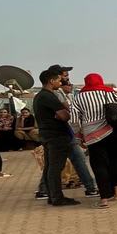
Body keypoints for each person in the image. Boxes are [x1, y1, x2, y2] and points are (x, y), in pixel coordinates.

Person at [70, 73, 117, 207]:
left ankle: (104, 199)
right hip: (113, 132)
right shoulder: (109, 93)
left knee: (99, 165)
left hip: (92, 136)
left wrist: (79, 136)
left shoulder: (79, 97)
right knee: (115, 161)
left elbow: (74, 120)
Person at [44, 65, 97, 199]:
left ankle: (90, 187)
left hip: (65, 132)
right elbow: (65, 112)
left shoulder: (59, 92)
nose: (67, 77)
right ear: (55, 78)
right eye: (64, 75)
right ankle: (48, 191)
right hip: (61, 134)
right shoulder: (54, 93)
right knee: (56, 165)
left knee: (71, 160)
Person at [33, 70, 79, 204]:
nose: (61, 82)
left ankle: (52, 196)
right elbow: (65, 116)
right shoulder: (48, 96)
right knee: (56, 167)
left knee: (50, 166)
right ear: (51, 81)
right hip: (56, 136)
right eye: (59, 80)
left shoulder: (39, 96)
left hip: (47, 135)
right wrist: (65, 110)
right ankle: (57, 197)